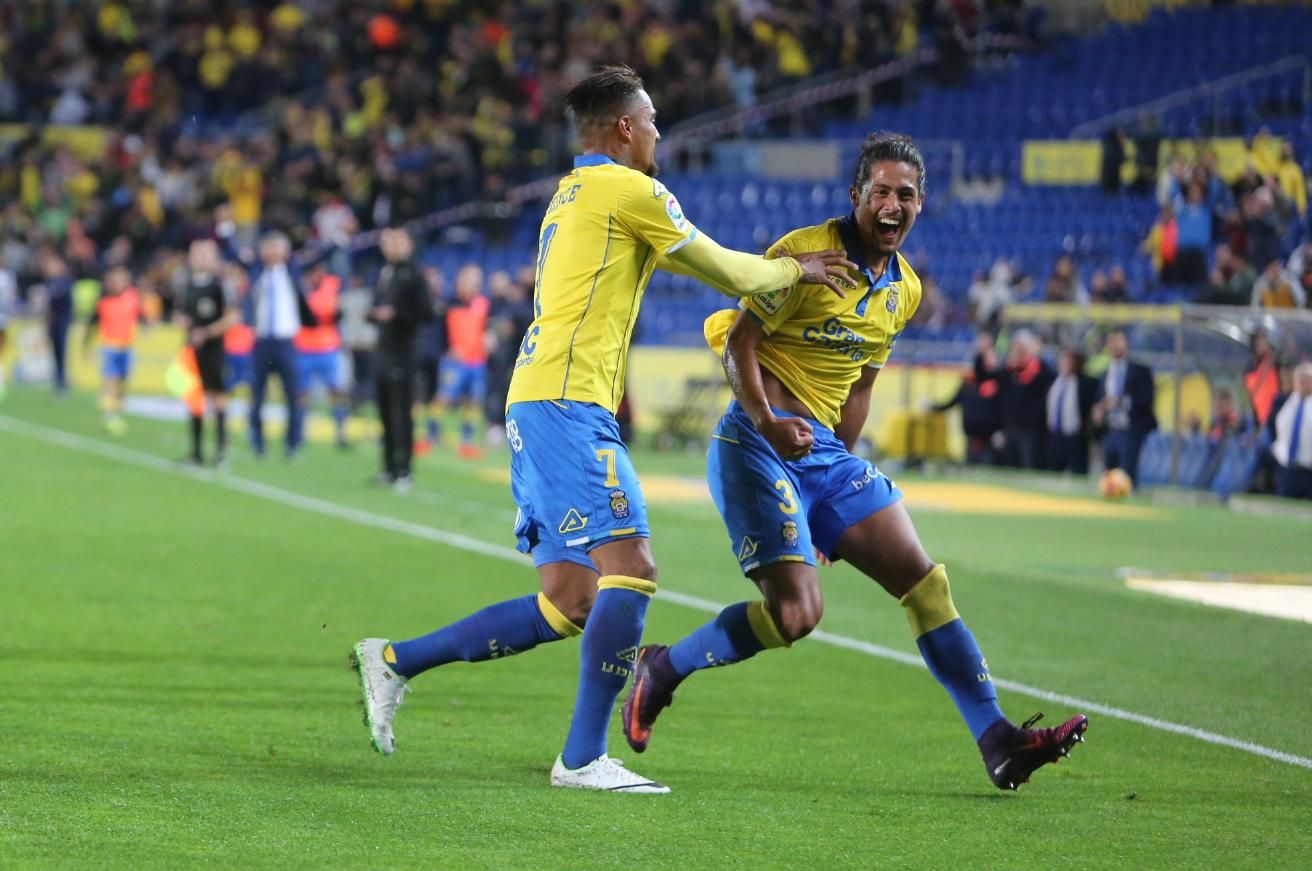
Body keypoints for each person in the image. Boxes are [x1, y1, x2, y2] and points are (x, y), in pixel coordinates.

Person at [350, 65, 853, 794]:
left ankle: (394, 660)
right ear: (624, 127)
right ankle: (582, 758)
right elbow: (730, 272)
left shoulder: (569, 192)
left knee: (569, 599)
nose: (657, 136)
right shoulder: (629, 188)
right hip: (567, 403)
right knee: (634, 569)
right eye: (651, 123)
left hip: (539, 397)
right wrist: (793, 270)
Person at [621, 134, 1087, 793]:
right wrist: (767, 422)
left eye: (905, 195)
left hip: (827, 456)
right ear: (857, 196)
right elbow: (739, 344)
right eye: (881, 192)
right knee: (796, 616)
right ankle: (663, 668)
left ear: (920, 204)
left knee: (924, 582)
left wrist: (836, 499)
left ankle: (998, 739)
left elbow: (860, 387)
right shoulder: (804, 255)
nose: (892, 205)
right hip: (756, 445)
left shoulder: (906, 292)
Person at [227, 231, 316, 459]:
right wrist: (226, 229)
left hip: (287, 341)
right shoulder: (257, 273)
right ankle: (257, 442)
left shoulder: (294, 273)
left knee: (293, 394)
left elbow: (319, 257)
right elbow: (235, 254)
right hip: (262, 340)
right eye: (270, 248)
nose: (274, 253)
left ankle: (293, 443)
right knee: (257, 394)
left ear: (286, 252)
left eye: (279, 248)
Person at [370, 227, 433, 490]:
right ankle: (388, 467)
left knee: (401, 412)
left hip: (403, 352)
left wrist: (396, 314)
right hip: (383, 351)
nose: (391, 246)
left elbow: (427, 312)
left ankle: (405, 469)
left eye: (397, 241)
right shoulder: (385, 273)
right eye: (388, 242)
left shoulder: (414, 275)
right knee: (384, 410)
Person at [177, 239, 238, 466]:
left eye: (204, 254)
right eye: (196, 254)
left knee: (218, 396)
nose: (199, 258)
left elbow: (232, 316)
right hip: (192, 349)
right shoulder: (187, 283)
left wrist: (207, 332)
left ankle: (221, 453)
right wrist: (183, 323)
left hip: (215, 348)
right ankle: (196, 453)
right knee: (194, 397)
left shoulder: (221, 284)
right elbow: (179, 313)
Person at [433, 264, 491, 458]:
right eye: (471, 280)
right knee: (444, 397)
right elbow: (437, 331)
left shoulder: (483, 304)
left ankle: (466, 441)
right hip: (455, 362)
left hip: (477, 361)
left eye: (477, 281)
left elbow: (488, 327)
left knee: (473, 401)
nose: (475, 284)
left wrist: (491, 338)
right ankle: (432, 435)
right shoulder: (448, 303)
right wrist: (445, 349)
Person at [294, 264, 351, 448]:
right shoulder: (300, 287)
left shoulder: (332, 285)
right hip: (304, 347)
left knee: (336, 391)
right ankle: (299, 433)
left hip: (328, 347)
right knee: (302, 393)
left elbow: (338, 313)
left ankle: (341, 432)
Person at [83, 266, 142, 435]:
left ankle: (117, 413)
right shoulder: (103, 302)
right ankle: (110, 416)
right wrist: (87, 345)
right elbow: (92, 325)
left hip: (127, 347)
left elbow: (141, 316)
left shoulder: (132, 298)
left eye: (121, 280)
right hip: (110, 347)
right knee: (110, 381)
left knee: (123, 382)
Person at [1092, 329, 1157, 483]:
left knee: (1127, 475)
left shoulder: (1140, 370)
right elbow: (1100, 399)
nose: (1114, 345)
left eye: (1118, 340)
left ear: (1126, 343)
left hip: (1130, 429)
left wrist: (1121, 402)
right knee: (1108, 474)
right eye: (1111, 341)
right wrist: (1099, 409)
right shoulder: (1105, 372)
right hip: (1110, 429)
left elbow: (1147, 398)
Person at [1046, 347, 1097, 474]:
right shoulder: (1053, 381)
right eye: (1063, 360)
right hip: (1054, 437)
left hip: (1076, 437)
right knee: (1053, 473)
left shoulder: (1085, 383)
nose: (1066, 364)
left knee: (1078, 473)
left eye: (1070, 361)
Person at [415, 266, 448, 455]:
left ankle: (432, 434)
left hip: (435, 356)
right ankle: (416, 435)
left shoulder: (443, 303)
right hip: (418, 354)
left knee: (435, 397)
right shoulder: (417, 302)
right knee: (417, 397)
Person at [1271, 362, 1312, 500]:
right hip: (1287, 468)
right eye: (1301, 380)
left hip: (1308, 469)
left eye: (1307, 380)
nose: (1304, 384)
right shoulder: (1285, 402)